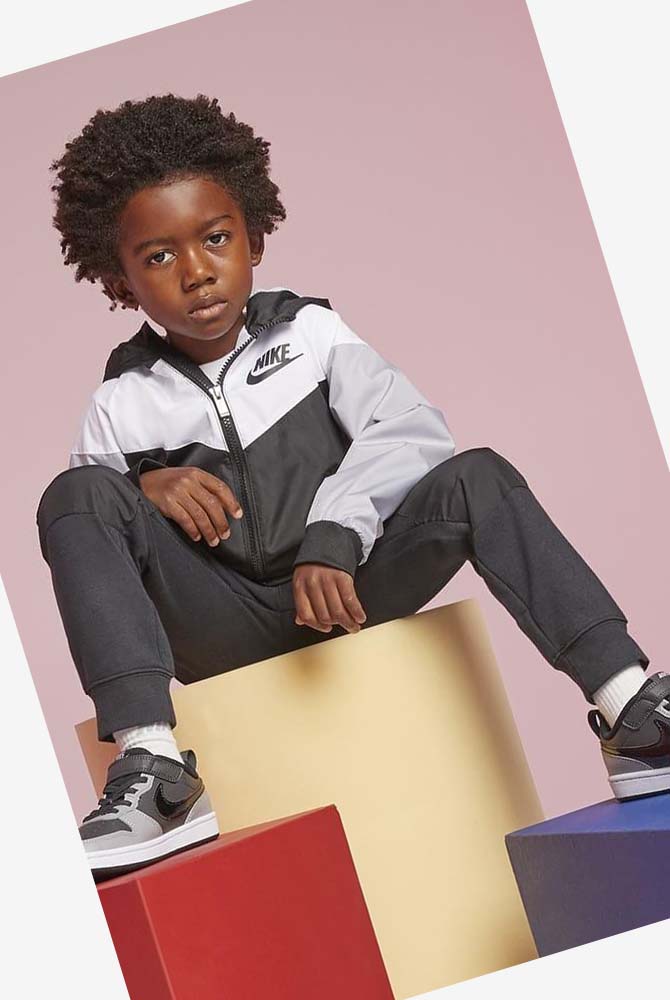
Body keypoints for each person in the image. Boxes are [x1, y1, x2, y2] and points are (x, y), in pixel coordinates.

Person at [36, 93, 669, 882]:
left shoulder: (312, 336)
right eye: (158, 257)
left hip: (347, 588)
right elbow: (96, 541)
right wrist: (142, 481)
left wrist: (335, 533)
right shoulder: (118, 405)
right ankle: (155, 771)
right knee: (72, 494)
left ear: (254, 237)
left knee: (478, 474)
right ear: (119, 280)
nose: (196, 272)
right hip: (221, 627)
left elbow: (409, 429)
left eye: (216, 238)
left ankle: (632, 707)